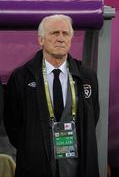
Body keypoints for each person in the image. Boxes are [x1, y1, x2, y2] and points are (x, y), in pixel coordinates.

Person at [4, 14, 100, 177]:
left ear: (70, 39)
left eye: (65, 33)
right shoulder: (21, 77)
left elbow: (93, 118)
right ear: (41, 40)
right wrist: (34, 146)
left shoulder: (87, 76)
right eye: (54, 33)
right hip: (36, 166)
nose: (61, 38)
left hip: (76, 167)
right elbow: (13, 126)